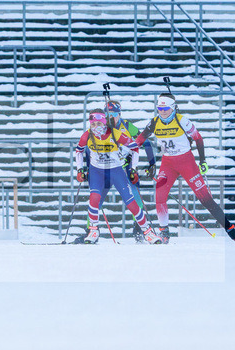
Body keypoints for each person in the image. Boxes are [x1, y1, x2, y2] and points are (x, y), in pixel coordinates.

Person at [134, 93, 235, 242]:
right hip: (168, 163)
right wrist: (129, 151)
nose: (162, 111)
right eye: (159, 108)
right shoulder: (154, 122)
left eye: (165, 108)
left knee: (205, 199)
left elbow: (198, 138)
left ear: (173, 108)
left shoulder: (182, 121)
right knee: (159, 196)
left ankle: (229, 228)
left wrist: (202, 161)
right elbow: (140, 140)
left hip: (186, 162)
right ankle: (164, 233)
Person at [74, 108, 161, 244]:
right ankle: (93, 230)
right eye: (93, 124)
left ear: (104, 123)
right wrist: (80, 169)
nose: (96, 127)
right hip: (97, 172)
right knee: (94, 198)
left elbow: (135, 148)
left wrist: (133, 169)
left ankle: (147, 231)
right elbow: (78, 151)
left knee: (130, 201)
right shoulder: (87, 135)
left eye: (99, 124)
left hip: (115, 171)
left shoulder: (115, 133)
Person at [103, 99, 156, 241]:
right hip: (108, 166)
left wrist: (152, 163)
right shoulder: (101, 128)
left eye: (114, 114)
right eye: (108, 114)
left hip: (126, 166)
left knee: (135, 196)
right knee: (96, 198)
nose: (111, 117)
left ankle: (139, 228)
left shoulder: (127, 126)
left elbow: (145, 142)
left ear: (119, 114)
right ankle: (90, 230)